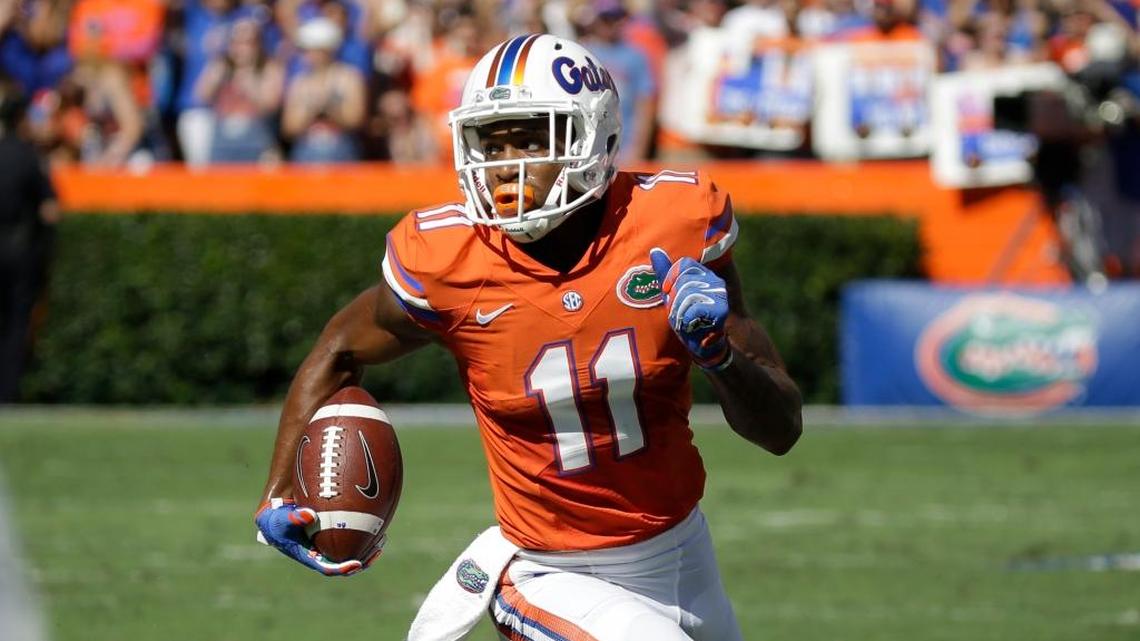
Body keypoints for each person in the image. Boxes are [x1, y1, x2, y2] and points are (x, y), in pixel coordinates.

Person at [255, 34, 802, 640]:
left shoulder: (673, 223)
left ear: (594, 136)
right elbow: (339, 351)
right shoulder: (447, 257)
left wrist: (719, 357)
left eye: (531, 137)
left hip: (683, 554)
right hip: (549, 571)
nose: (505, 165)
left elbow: (781, 432)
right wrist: (279, 491)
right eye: (491, 142)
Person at [0, 76, 58, 403]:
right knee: (16, 324)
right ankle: (7, 393)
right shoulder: (28, 156)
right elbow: (50, 209)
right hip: (19, 248)